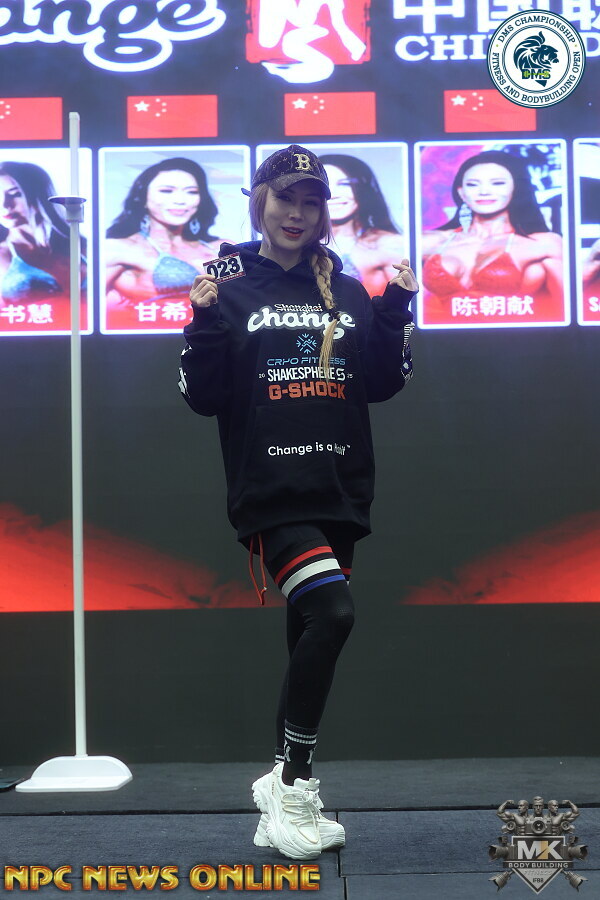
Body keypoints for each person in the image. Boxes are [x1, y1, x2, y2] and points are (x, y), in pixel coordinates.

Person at [178, 145, 417, 860]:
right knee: (333, 613)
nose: (298, 214)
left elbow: (381, 383)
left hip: (338, 486)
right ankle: (292, 784)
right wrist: (200, 322)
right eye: (286, 199)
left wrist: (395, 309)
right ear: (260, 201)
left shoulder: (344, 288)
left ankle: (281, 792)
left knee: (308, 630)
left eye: (312, 202)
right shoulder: (226, 281)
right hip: (272, 490)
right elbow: (203, 397)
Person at [421, 150, 563, 320]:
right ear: (461, 192)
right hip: (439, 333)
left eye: (497, 183)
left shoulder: (543, 243)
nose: (484, 191)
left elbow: (568, 306)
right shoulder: (433, 241)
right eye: (473, 185)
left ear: (516, 188)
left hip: (511, 333)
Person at [105, 157, 222, 308]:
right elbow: (87, 305)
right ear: (142, 197)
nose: (180, 200)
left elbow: (240, 296)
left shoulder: (221, 248)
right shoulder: (118, 249)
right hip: (152, 320)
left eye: (192, 192)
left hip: (214, 323)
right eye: (166, 191)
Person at [319, 153, 405, 298]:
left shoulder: (388, 244)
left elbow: (400, 304)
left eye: (344, 184)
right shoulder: (296, 245)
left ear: (363, 190)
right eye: (325, 185)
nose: (333, 195)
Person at [0, 160, 83, 308]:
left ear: (39, 194)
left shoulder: (82, 245)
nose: (4, 204)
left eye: (15, 194)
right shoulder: (3, 255)